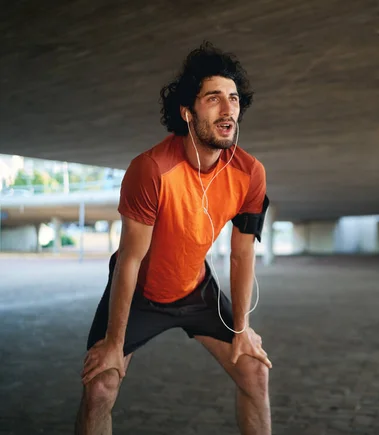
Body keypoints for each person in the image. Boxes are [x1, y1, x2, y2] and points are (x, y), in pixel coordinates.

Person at [75, 41, 272, 435]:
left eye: (233, 98)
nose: (228, 107)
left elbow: (240, 254)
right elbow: (129, 260)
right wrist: (114, 342)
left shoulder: (250, 173)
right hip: (141, 294)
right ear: (187, 112)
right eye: (214, 98)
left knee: (254, 371)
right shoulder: (150, 169)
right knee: (100, 386)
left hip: (196, 292)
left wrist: (241, 328)